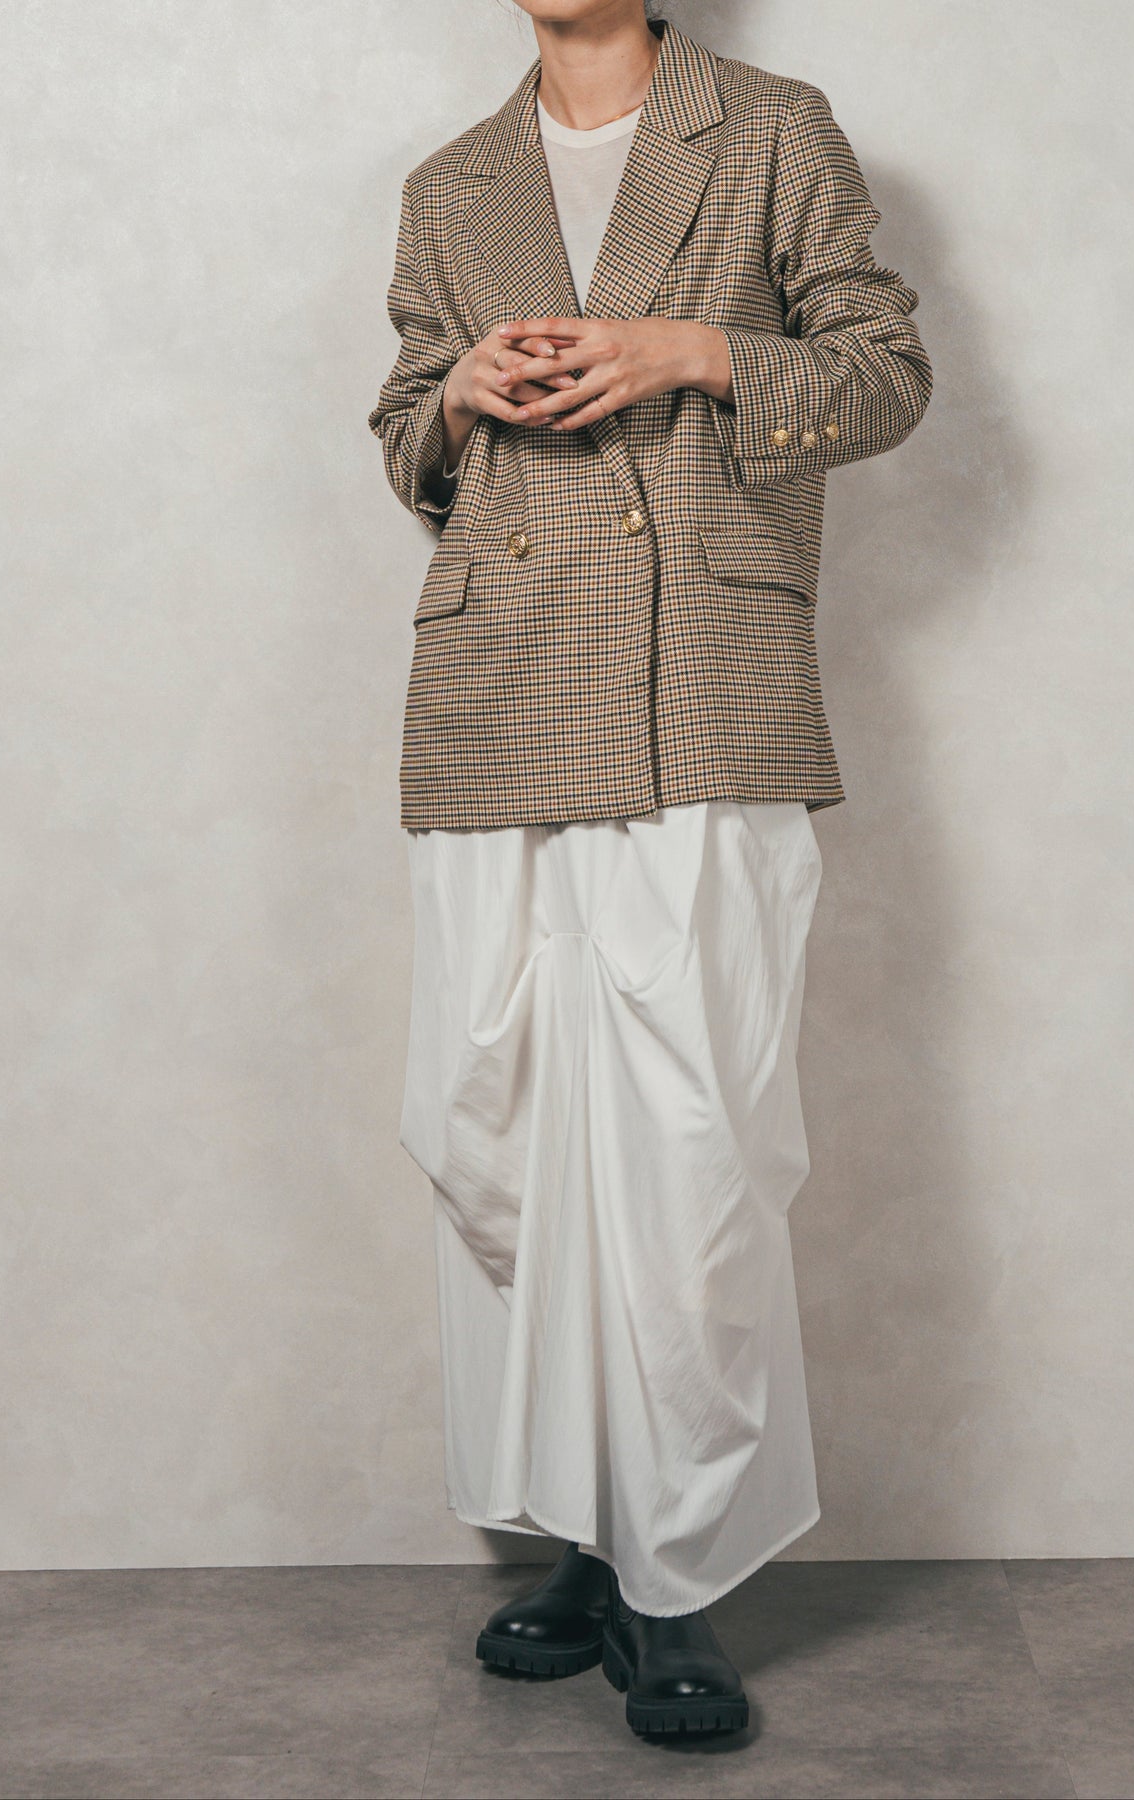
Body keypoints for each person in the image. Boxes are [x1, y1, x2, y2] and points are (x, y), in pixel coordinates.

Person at [369, 0, 932, 1738]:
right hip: (497, 686)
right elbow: (402, 435)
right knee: (496, 1125)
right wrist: (456, 396)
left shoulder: (770, 126)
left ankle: (679, 1576)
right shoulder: (452, 181)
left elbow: (885, 373)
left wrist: (694, 351)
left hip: (702, 684)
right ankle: (586, 1536)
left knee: (690, 1152)